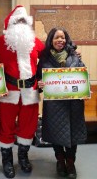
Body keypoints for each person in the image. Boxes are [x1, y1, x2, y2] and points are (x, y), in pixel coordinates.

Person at [0, 5, 45, 178]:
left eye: (23, 21)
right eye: (17, 20)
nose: (21, 23)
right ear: (10, 23)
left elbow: (46, 63)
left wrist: (73, 52)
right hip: (8, 93)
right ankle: (7, 160)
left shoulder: (36, 43)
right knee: (6, 127)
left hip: (31, 91)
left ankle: (23, 157)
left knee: (28, 127)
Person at [37, 27, 87, 179]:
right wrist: (40, 84)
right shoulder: (44, 59)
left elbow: (82, 74)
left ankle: (70, 162)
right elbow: (38, 78)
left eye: (63, 37)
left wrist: (84, 89)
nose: (60, 40)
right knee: (55, 132)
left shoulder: (75, 56)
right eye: (57, 37)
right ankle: (60, 161)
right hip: (54, 105)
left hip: (73, 104)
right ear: (51, 40)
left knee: (73, 134)